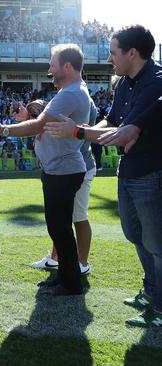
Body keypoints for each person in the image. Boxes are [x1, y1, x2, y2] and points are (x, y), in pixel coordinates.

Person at [44, 25, 162, 325]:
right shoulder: (125, 83)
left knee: (157, 243)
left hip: (151, 172)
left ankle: (160, 306)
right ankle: (151, 290)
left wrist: (80, 132)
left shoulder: (155, 83)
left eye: (113, 52)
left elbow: (123, 133)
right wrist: (87, 132)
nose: (109, 58)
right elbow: (112, 121)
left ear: (132, 53)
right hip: (129, 170)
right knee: (135, 235)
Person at [0, 44, 92, 295]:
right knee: (58, 228)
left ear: (67, 66)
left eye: (52, 64)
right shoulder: (71, 91)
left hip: (63, 170)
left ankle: (70, 283)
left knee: (60, 228)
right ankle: (65, 276)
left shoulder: (70, 93)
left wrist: (3, 130)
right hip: (58, 169)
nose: (49, 69)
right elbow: (42, 124)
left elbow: (38, 125)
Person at [31, 98, 97, 276]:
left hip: (77, 168)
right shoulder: (72, 96)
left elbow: (78, 136)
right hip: (63, 170)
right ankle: (55, 259)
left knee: (78, 216)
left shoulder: (81, 99)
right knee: (60, 219)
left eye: (39, 112)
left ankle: (82, 263)